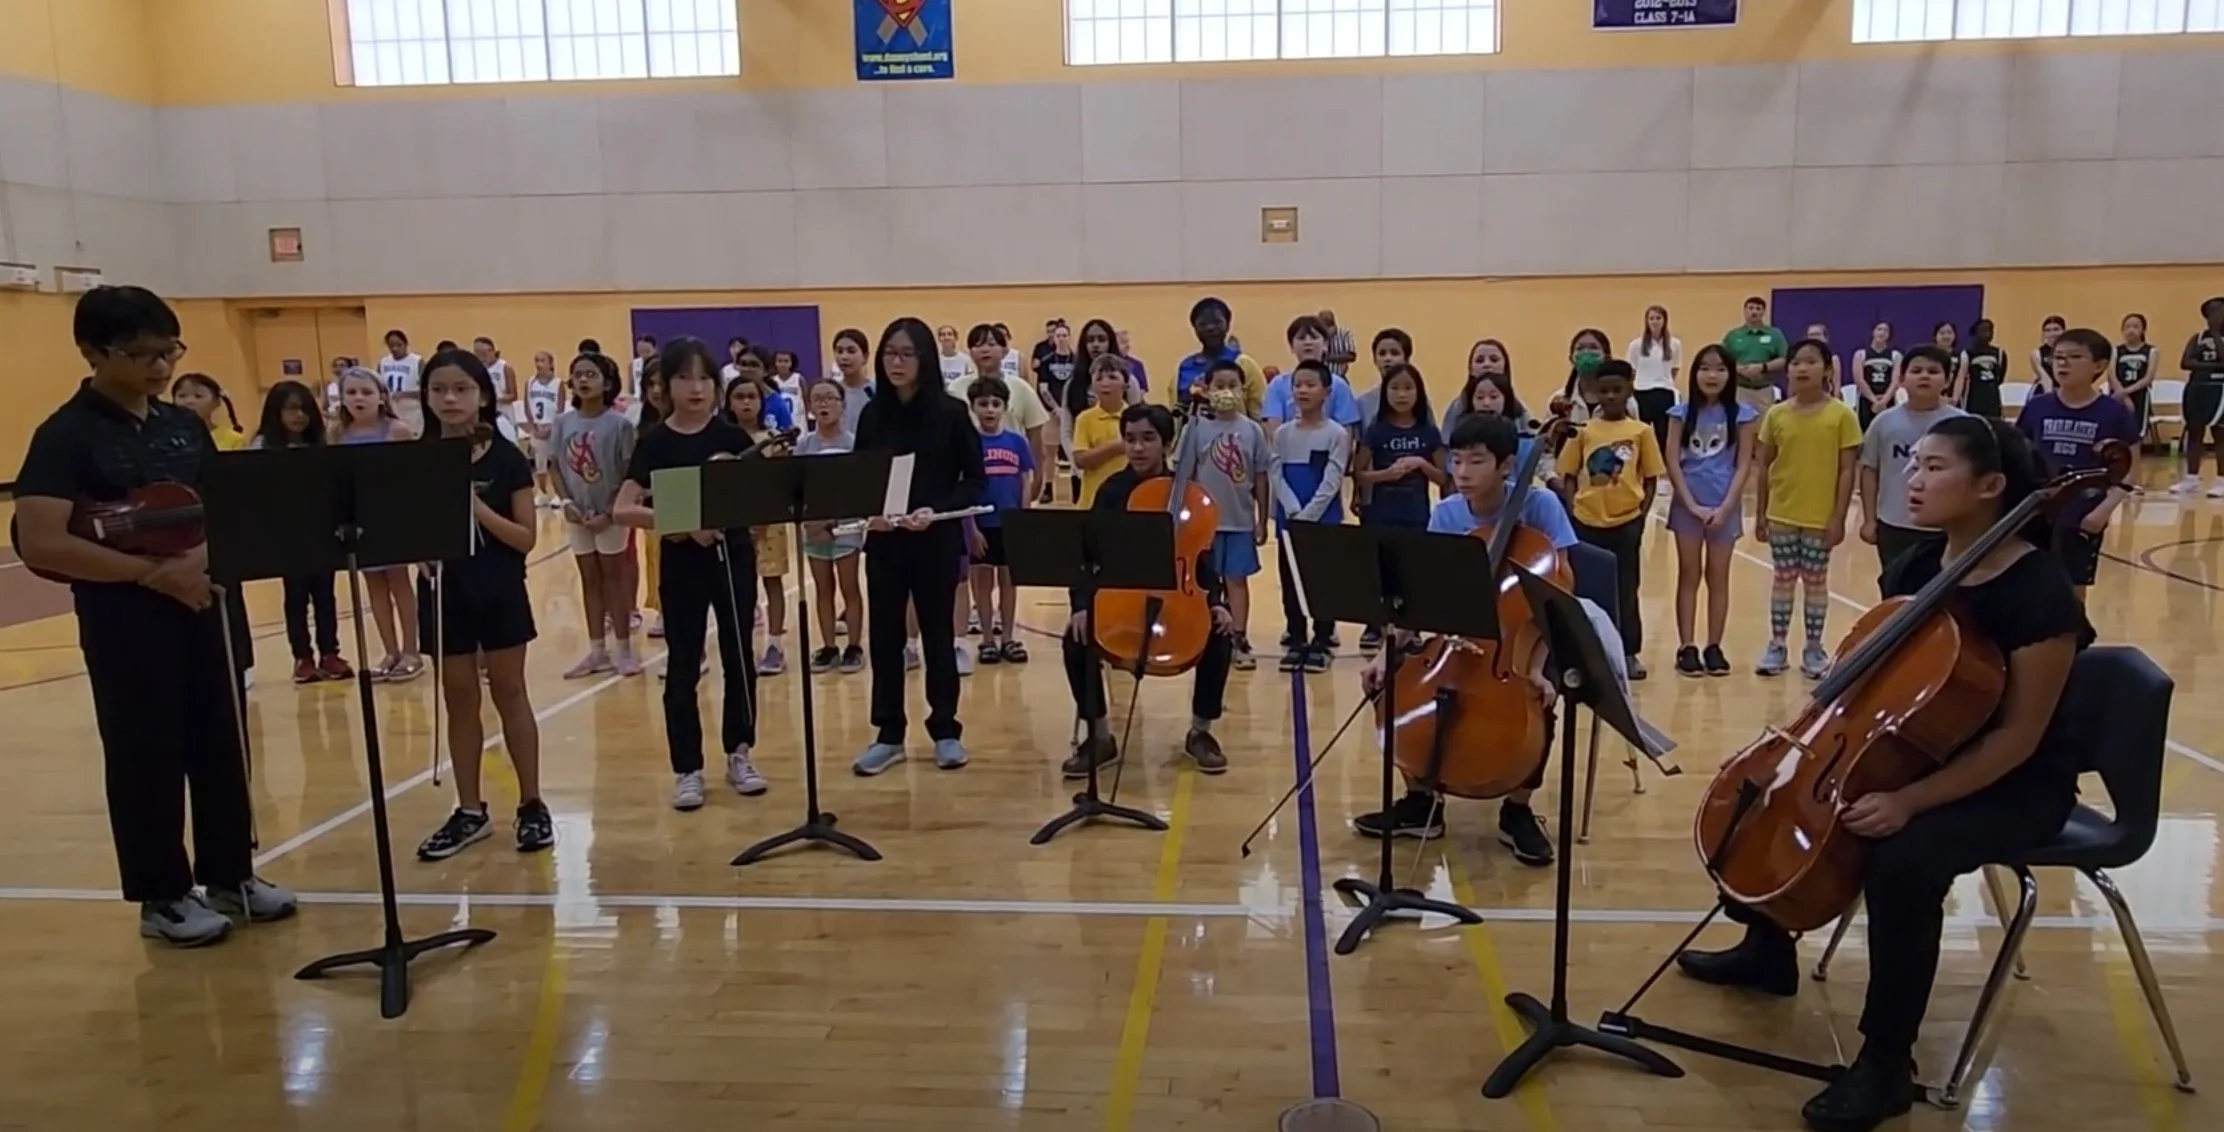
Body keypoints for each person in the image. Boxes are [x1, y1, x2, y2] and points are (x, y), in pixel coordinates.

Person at [1677, 416, 2091, 1132]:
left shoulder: (2040, 595)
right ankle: (1767, 948)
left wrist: (1909, 800)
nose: (1914, 480)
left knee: (1902, 861)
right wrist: (1798, 738)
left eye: (1935, 468)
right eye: (1914, 464)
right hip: (1904, 751)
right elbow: (1863, 673)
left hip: (2012, 784)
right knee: (1760, 795)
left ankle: (1886, 1062)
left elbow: (2020, 738)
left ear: (1991, 487)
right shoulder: (1916, 567)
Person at [13, 286, 296, 945]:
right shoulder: (63, 436)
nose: (160, 366)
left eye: (168, 350)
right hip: (125, 620)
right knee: (147, 750)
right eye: (140, 354)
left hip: (205, 602)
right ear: (91, 352)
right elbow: (42, 539)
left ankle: (232, 875)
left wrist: (198, 562)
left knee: (222, 742)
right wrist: (149, 575)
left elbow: (225, 504)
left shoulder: (183, 425)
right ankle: (163, 895)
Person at [1351, 412, 1576, 863]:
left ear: (1507, 466)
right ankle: (1421, 801)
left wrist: (1534, 666)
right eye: (1456, 461)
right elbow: (1426, 597)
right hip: (1459, 630)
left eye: (1476, 462)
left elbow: (1559, 600)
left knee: (1543, 691)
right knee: (1399, 676)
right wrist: (1383, 652)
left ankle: (1518, 809)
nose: (1463, 473)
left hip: (1533, 635)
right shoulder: (1447, 513)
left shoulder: (1540, 507)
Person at [614, 337, 774, 809]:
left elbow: (759, 504)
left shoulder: (734, 440)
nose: (696, 387)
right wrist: (684, 521)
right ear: (665, 385)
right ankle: (687, 768)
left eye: (705, 377)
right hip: (683, 561)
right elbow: (624, 508)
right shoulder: (656, 442)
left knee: (738, 654)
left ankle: (740, 752)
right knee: (683, 663)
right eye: (684, 377)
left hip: (734, 556)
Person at [410, 349, 551, 859]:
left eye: (462, 389)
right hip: (444, 592)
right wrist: (417, 549)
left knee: (510, 691)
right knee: (459, 696)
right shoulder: (416, 456)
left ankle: (532, 804)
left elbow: (525, 538)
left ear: (483, 395)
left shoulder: (507, 458)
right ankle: (470, 810)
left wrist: (472, 505)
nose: (450, 399)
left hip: (499, 589)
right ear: (425, 397)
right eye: (439, 390)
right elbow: (402, 528)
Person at [1062, 404, 1238, 777]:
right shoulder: (1112, 492)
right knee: (1075, 638)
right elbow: (1087, 555)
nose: (1137, 448)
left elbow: (1203, 560)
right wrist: (1080, 605)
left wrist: (1217, 602)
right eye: (1129, 439)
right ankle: (1099, 736)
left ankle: (1201, 732)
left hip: (1180, 599)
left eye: (1147, 439)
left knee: (1219, 634)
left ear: (1167, 443)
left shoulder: (1189, 495)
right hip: (1121, 599)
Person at [851, 318, 987, 776]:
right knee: (886, 640)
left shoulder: (950, 413)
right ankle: (889, 734)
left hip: (936, 540)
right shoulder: (872, 415)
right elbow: (863, 477)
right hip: (886, 543)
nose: (896, 362)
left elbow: (975, 481)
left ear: (925, 358)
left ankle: (945, 728)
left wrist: (936, 509)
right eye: (889, 352)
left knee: (937, 637)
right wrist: (871, 511)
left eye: (907, 353)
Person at [1753, 338, 1863, 679]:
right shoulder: (1776, 414)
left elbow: (1848, 470)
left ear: (1827, 369)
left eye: (1810, 361)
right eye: (1796, 362)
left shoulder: (1842, 415)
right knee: (1783, 580)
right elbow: (1763, 467)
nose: (1802, 368)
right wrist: (1760, 514)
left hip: (1819, 518)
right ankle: (1777, 645)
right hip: (1782, 514)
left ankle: (1814, 647)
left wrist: (1838, 517)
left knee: (1815, 582)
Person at [1556, 359, 1664, 676]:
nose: (1611, 396)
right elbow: (1569, 473)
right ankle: (1589, 652)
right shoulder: (1583, 431)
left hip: (1626, 523)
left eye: (1618, 390)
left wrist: (1641, 518)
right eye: (1605, 391)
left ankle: (1629, 652)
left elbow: (1651, 477)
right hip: (1587, 523)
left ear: (1629, 389)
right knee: (1588, 590)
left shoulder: (1641, 431)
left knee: (1627, 589)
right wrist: (1574, 506)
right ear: (1595, 392)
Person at [2017, 328, 2139, 599]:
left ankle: (2071, 641)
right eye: (2058, 357)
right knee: (2029, 588)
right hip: (2036, 513)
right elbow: (2018, 455)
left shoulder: (2115, 412)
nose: (2063, 363)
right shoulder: (2036, 406)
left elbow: (2130, 471)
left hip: (2082, 516)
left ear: (2100, 365)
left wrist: (2104, 511)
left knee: (2071, 592)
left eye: (2074, 357)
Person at [248, 381, 354, 684]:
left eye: (305, 409)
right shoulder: (261, 447)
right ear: (275, 411)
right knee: (295, 597)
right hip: (286, 534)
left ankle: (330, 653)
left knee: (325, 596)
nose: (299, 416)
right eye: (291, 408)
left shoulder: (321, 445)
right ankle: (302, 657)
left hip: (321, 530)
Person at [1665, 345, 1756, 677]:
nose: (1712, 375)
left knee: (1719, 577)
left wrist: (1726, 507)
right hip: (1687, 506)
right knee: (1689, 574)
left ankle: (1714, 645)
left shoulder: (1742, 415)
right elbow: (1672, 459)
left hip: (1724, 507)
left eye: (1720, 369)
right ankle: (1687, 645)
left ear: (1730, 374)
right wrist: (1689, 503)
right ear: (1694, 373)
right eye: (1705, 368)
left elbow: (1744, 463)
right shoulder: (1680, 414)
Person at [551, 352, 642, 679]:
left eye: (591, 374)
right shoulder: (563, 423)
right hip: (578, 514)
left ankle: (624, 649)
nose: (584, 380)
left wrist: (610, 511)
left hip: (611, 516)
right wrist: (566, 503)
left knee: (614, 578)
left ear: (607, 382)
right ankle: (596, 650)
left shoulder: (620, 425)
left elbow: (629, 472)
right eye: (578, 375)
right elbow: (555, 468)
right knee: (589, 579)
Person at [330, 366, 424, 681]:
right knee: (374, 586)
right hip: (358, 521)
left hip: (391, 516)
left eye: (366, 392)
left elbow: (411, 478)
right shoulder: (337, 435)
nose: (358, 398)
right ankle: (390, 650)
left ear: (381, 398)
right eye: (351, 392)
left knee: (399, 582)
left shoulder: (396, 430)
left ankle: (411, 649)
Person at [1352, 362, 1446, 655]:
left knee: (1412, 576)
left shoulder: (1429, 432)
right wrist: (1385, 476)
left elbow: (1444, 478)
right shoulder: (1376, 431)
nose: (1401, 394)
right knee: (1384, 575)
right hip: (1381, 515)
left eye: (1408, 388)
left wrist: (1420, 464)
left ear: (1419, 393)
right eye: (1394, 388)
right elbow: (1358, 473)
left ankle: (1412, 630)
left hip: (1416, 515)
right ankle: (1384, 630)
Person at [1186, 360, 1273, 670]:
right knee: (1206, 583)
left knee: (1237, 580)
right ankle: (1206, 636)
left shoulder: (1252, 431)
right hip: (1203, 526)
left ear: (1242, 389)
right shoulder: (1195, 430)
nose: (1225, 391)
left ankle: (1239, 636)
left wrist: (1262, 520)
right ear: (1207, 389)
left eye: (1232, 385)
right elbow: (1187, 476)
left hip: (1239, 522)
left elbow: (1261, 477)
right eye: (1219, 385)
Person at [1269, 361, 1351, 673]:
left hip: (1322, 522)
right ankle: (1297, 638)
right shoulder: (1283, 434)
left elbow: (1332, 480)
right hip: (1290, 521)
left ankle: (1322, 639)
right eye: (1298, 384)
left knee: (1322, 581)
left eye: (1310, 384)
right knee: (1290, 581)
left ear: (1326, 391)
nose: (1303, 390)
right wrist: (1292, 510)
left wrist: (1310, 514)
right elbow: (1276, 472)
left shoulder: (1336, 434)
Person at [1858, 346, 1963, 579]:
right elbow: (1869, 471)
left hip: (1944, 528)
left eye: (1933, 371)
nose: (1924, 375)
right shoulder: (1884, 422)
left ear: (1947, 380)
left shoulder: (1962, 424)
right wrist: (1869, 519)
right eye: (1916, 370)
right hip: (1894, 526)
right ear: (1902, 379)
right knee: (1896, 590)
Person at [793, 380, 868, 674]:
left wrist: (834, 520)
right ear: (810, 407)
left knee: (849, 586)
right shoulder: (805, 445)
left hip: (846, 526)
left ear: (842, 404)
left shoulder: (853, 444)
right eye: (817, 399)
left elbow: (859, 491)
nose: (824, 404)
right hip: (813, 528)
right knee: (823, 588)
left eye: (830, 398)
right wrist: (812, 521)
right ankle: (828, 646)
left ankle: (854, 645)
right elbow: (797, 488)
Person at [963, 375, 1036, 666]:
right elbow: (964, 486)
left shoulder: (1016, 442)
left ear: (1005, 407)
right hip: (982, 525)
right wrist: (971, 528)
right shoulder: (969, 444)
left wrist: (1023, 519)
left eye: (996, 404)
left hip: (1009, 524)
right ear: (973, 407)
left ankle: (1008, 637)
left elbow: (1025, 480)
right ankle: (987, 640)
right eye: (983, 404)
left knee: (1009, 581)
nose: (990, 410)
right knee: (982, 583)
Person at [724, 378, 793, 675]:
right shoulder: (722, 439)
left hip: (769, 522)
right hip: (735, 523)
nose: (746, 403)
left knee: (773, 581)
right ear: (728, 402)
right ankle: (743, 647)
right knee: (740, 587)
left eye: (752, 396)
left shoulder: (773, 439)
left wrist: (762, 520)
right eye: (739, 397)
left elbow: (781, 484)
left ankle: (775, 644)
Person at [961, 324, 1053, 510]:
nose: (985, 349)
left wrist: (1038, 476)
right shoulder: (956, 389)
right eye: (978, 345)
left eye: (991, 344)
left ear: (1004, 350)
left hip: (1011, 477)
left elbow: (1035, 436)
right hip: (972, 477)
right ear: (970, 352)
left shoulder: (1022, 388)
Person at [1263, 315, 1364, 438]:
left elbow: (1346, 433)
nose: (1308, 342)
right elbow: (1274, 430)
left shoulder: (1339, 385)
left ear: (1326, 344)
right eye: (1301, 338)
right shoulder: (1277, 384)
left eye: (1314, 337)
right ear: (1291, 346)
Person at [1174, 297, 1266, 417]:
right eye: (1203, 324)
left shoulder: (1244, 364)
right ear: (1195, 329)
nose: (1210, 328)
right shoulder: (1183, 367)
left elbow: (1259, 411)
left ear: (1227, 325)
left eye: (1217, 322)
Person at [2172, 297, 2224, 498]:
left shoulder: (2218, 336)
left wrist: (2217, 334)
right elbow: (2185, 362)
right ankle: (2191, 479)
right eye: (2212, 311)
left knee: (2220, 435)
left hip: (2220, 389)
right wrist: (2216, 366)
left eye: (2219, 310)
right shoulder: (2198, 337)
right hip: (2197, 388)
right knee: (2195, 434)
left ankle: (2221, 480)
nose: (2215, 315)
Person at [1070, 355, 1130, 508]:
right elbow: (1081, 460)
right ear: (1092, 386)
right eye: (1099, 378)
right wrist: (1117, 447)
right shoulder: (1085, 419)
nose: (1105, 383)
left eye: (1112, 377)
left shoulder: (1133, 417)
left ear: (1126, 384)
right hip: (1092, 502)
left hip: (1128, 500)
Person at [1723, 296, 1789, 416]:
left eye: (1758, 309)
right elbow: (1722, 360)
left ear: (1763, 312)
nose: (1754, 311)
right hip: (1739, 389)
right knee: (1738, 423)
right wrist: (1737, 368)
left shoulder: (1775, 334)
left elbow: (1785, 359)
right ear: (1745, 311)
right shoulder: (1733, 335)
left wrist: (1762, 367)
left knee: (1763, 424)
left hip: (1764, 389)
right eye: (1751, 308)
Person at [1629, 304, 1681, 455]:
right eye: (1651, 318)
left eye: (1658, 318)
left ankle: (1664, 471)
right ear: (1646, 321)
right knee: (1641, 432)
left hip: (1664, 391)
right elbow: (1632, 370)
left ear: (1664, 320)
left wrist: (1665, 382)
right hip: (1642, 392)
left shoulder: (1675, 344)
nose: (1655, 321)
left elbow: (1675, 368)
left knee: (1663, 434)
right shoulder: (1636, 345)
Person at [1356, 327, 1414, 431]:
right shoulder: (1363, 403)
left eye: (1394, 353)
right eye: (1382, 353)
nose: (1388, 358)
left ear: (1406, 359)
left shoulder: (1417, 399)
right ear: (1374, 359)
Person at [2112, 312, 2158, 441]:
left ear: (2143, 329)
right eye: (2127, 327)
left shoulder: (2151, 351)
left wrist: (2127, 392)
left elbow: (2148, 378)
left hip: (2140, 395)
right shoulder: (2116, 350)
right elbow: (2111, 375)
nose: (2131, 330)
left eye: (2135, 326)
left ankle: (2136, 459)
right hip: (2118, 395)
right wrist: (2122, 395)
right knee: (2118, 431)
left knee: (2137, 434)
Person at [171, 373, 245, 451]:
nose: (189, 401)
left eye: (198, 396)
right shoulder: (166, 436)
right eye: (182, 396)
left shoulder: (233, 439)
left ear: (216, 402)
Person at [1849, 322, 1901, 431]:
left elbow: (1895, 381)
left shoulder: (1895, 355)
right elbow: (1859, 380)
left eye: (1886, 331)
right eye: (1879, 329)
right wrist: (1874, 400)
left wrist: (1884, 401)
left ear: (1889, 335)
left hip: (1887, 400)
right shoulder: (1861, 354)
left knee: (1888, 432)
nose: (1882, 333)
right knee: (1866, 432)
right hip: (1867, 400)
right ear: (1873, 332)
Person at [1958, 318, 2008, 419]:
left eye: (1989, 330)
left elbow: (2000, 377)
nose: (1987, 334)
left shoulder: (1999, 353)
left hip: (1992, 399)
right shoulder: (1968, 353)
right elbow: (1962, 377)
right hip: (1973, 399)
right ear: (1975, 333)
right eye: (1982, 331)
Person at [377, 328, 423, 433]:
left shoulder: (417, 361)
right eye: (391, 345)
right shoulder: (384, 362)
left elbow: (426, 389)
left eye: (399, 345)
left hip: (411, 408)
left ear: (406, 344)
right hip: (390, 409)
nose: (395, 349)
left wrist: (404, 395)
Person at [830, 327, 875, 433]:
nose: (844, 357)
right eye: (839, 351)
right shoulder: (831, 392)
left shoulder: (875, 391)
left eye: (851, 351)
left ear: (865, 356)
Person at [2030, 314, 2066, 393]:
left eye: (2056, 329)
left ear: (2064, 331)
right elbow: (2044, 378)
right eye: (2048, 330)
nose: (2052, 333)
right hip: (2045, 390)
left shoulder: (2071, 352)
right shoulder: (2037, 353)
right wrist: (2050, 398)